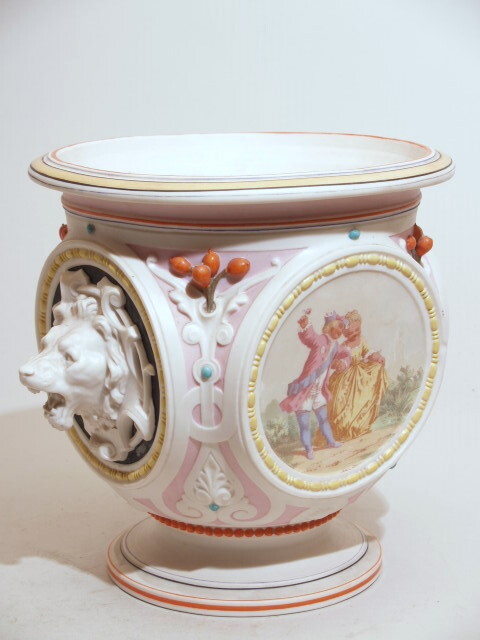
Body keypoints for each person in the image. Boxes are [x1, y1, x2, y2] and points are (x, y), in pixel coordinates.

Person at [280, 310, 351, 459]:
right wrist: (305, 325)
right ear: (329, 326)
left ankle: (331, 442)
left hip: (319, 392)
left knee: (323, 419)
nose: (340, 331)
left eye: (342, 328)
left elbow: (346, 354)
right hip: (304, 391)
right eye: (338, 326)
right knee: (304, 425)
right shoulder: (320, 340)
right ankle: (308, 449)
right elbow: (309, 337)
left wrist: (343, 362)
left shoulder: (336, 346)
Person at [328, 310, 388, 441]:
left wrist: (378, 357)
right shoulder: (342, 346)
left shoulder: (362, 341)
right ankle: (345, 429)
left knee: (360, 400)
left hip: (360, 376)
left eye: (357, 330)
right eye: (350, 332)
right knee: (342, 403)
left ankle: (359, 426)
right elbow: (333, 362)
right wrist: (338, 363)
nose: (355, 333)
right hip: (345, 379)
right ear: (344, 333)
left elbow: (369, 353)